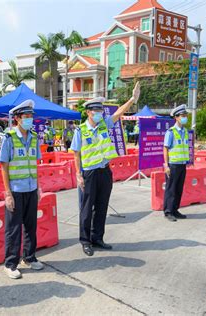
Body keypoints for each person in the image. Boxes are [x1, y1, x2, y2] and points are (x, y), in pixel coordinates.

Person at [71, 82, 140, 256]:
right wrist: (78, 175)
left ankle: (97, 238)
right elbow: (76, 154)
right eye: (96, 111)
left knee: (102, 207)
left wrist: (132, 99)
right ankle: (85, 241)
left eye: (101, 111)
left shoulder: (104, 125)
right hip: (89, 173)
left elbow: (118, 113)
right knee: (86, 209)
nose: (100, 114)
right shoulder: (80, 131)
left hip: (104, 171)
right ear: (88, 112)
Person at [0, 99, 44, 279]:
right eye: (26, 117)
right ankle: (10, 264)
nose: (29, 120)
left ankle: (29, 257)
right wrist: (7, 193)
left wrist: (39, 187)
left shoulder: (34, 138)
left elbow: (35, 164)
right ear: (17, 118)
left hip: (31, 189)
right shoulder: (8, 138)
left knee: (31, 226)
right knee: (13, 228)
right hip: (16, 190)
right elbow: (4, 166)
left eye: (31, 116)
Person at [162, 104, 191, 222]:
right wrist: (166, 165)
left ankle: (175, 209)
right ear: (176, 117)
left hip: (182, 164)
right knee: (171, 189)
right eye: (183, 116)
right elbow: (165, 148)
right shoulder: (171, 132)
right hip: (173, 165)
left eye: (185, 115)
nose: (185, 117)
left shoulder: (185, 131)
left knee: (179, 188)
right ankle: (168, 211)